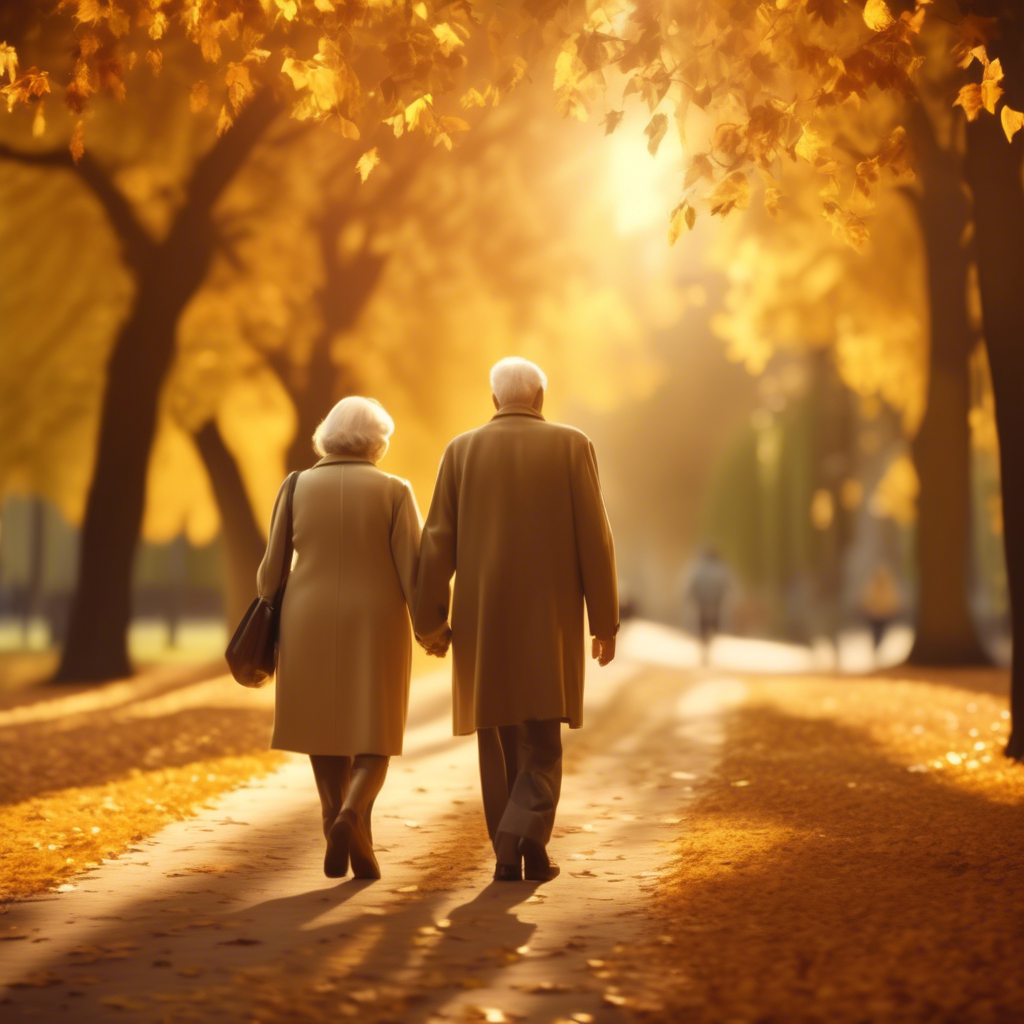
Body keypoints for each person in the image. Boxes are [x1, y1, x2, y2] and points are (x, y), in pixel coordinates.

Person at [414, 357, 619, 883]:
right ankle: (517, 837)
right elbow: (595, 540)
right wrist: (605, 622)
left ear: (494, 401)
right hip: (547, 619)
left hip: (483, 618)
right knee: (543, 741)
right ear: (540, 399)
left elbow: (436, 544)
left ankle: (514, 854)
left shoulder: (460, 451)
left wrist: (431, 624)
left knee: (499, 738)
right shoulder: (572, 446)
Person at [257, 397, 421, 880]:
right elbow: (413, 571)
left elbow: (270, 575)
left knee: (322, 728)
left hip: (306, 616)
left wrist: (270, 596)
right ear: (378, 441)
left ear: (327, 435)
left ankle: (334, 818)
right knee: (376, 732)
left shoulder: (296, 485)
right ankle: (352, 814)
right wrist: (433, 628)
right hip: (376, 618)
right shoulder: (394, 490)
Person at [683, 545, 731, 663]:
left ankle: (705, 653)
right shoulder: (721, 569)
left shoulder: (697, 569)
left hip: (702, 607)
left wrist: (691, 599)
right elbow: (727, 587)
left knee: (703, 631)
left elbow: (689, 587)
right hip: (715, 607)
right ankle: (710, 652)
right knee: (713, 630)